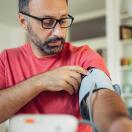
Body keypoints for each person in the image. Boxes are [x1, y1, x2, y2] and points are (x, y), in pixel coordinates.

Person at [0, 0, 131, 131]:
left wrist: (118, 124)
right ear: (24, 21)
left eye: (63, 21)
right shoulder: (6, 60)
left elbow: (101, 93)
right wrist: (41, 81)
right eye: (47, 21)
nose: (59, 32)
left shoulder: (84, 56)